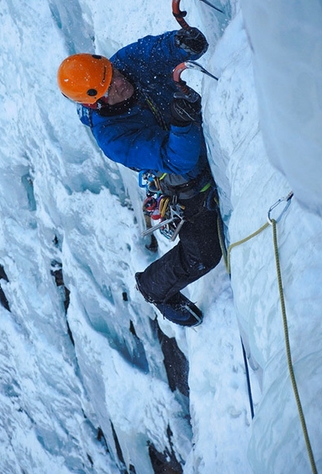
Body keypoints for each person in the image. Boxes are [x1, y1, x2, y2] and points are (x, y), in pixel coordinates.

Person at [57, 26, 222, 327]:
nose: (120, 82)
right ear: (95, 104)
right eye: (109, 89)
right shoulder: (113, 137)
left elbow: (157, 50)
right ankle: (155, 287)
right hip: (184, 178)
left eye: (112, 74)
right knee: (204, 255)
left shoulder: (123, 64)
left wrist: (181, 44)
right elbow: (178, 161)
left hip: (183, 134)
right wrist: (182, 124)